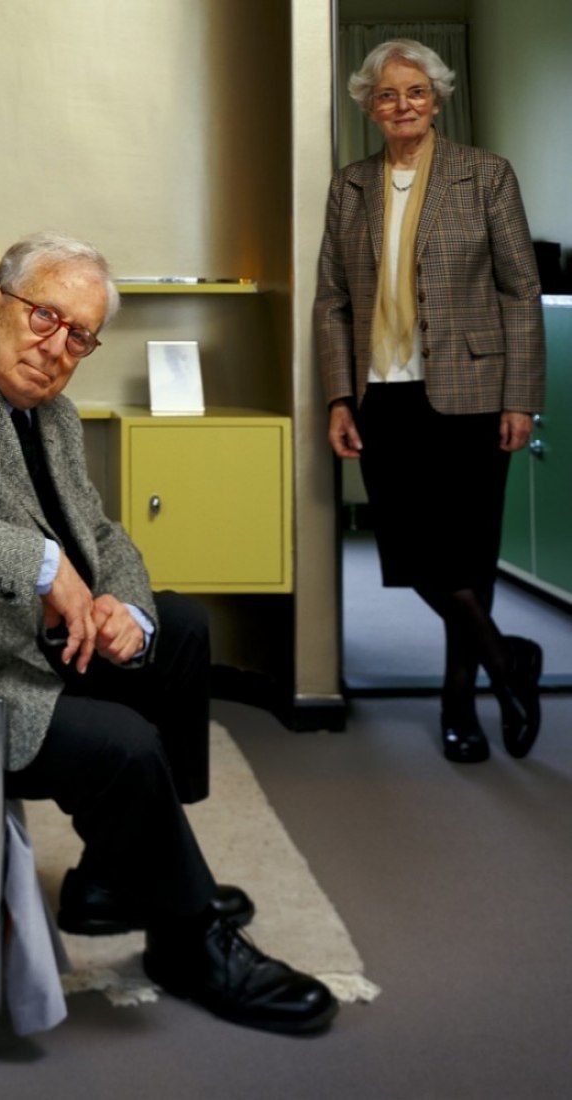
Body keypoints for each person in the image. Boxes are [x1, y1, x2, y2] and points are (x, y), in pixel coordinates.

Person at [0, 231, 337, 1035]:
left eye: (80, 334)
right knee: (121, 743)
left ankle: (115, 877)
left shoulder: (47, 408)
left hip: (36, 638)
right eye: (45, 316)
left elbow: (101, 531)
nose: (58, 348)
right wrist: (41, 566)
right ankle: (185, 939)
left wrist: (129, 608)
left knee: (181, 628)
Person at [314, 39, 546, 764]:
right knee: (414, 551)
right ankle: (508, 660)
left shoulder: (484, 176)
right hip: (381, 393)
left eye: (414, 91)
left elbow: (520, 289)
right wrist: (336, 399)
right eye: (386, 95)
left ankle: (459, 708)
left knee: (467, 555)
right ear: (368, 106)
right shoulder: (348, 186)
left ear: (436, 97)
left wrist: (520, 398)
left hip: (474, 391)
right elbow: (331, 302)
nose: (401, 105)